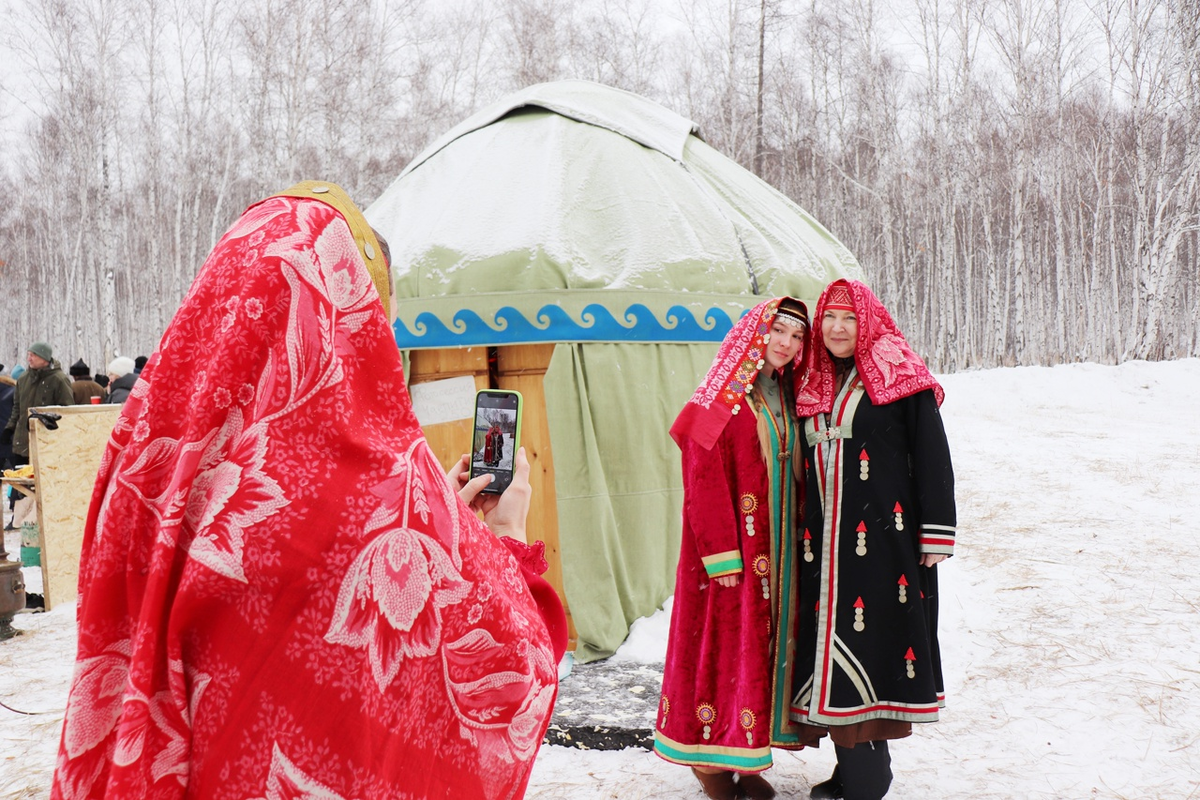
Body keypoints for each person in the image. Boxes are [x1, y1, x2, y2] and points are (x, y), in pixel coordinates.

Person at [52, 181, 567, 800]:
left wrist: (442, 528)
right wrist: (500, 536)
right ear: (343, 316)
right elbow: (505, 673)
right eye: (382, 330)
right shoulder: (381, 493)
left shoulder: (141, 466)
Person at [789, 279, 956, 800]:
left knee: (874, 645)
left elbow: (932, 458)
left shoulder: (901, 376)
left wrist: (936, 532)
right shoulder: (812, 378)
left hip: (883, 542)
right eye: (829, 319)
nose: (838, 329)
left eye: (849, 319)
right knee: (825, 651)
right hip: (820, 547)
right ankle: (852, 766)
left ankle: (867, 776)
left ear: (869, 323)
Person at [655, 297, 811, 800]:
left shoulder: (785, 396)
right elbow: (699, 474)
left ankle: (745, 757)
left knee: (758, 654)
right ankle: (708, 764)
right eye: (777, 331)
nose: (785, 343)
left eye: (796, 336)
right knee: (720, 651)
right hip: (729, 556)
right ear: (755, 334)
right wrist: (721, 553)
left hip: (776, 554)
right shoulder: (720, 396)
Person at [2, 343, 74, 464]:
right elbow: (17, 408)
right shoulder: (23, 378)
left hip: (47, 444)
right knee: (22, 480)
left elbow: (67, 411)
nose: (28, 358)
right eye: (28, 355)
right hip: (22, 444)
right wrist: (9, 428)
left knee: (43, 481)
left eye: (33, 355)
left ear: (44, 358)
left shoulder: (59, 379)